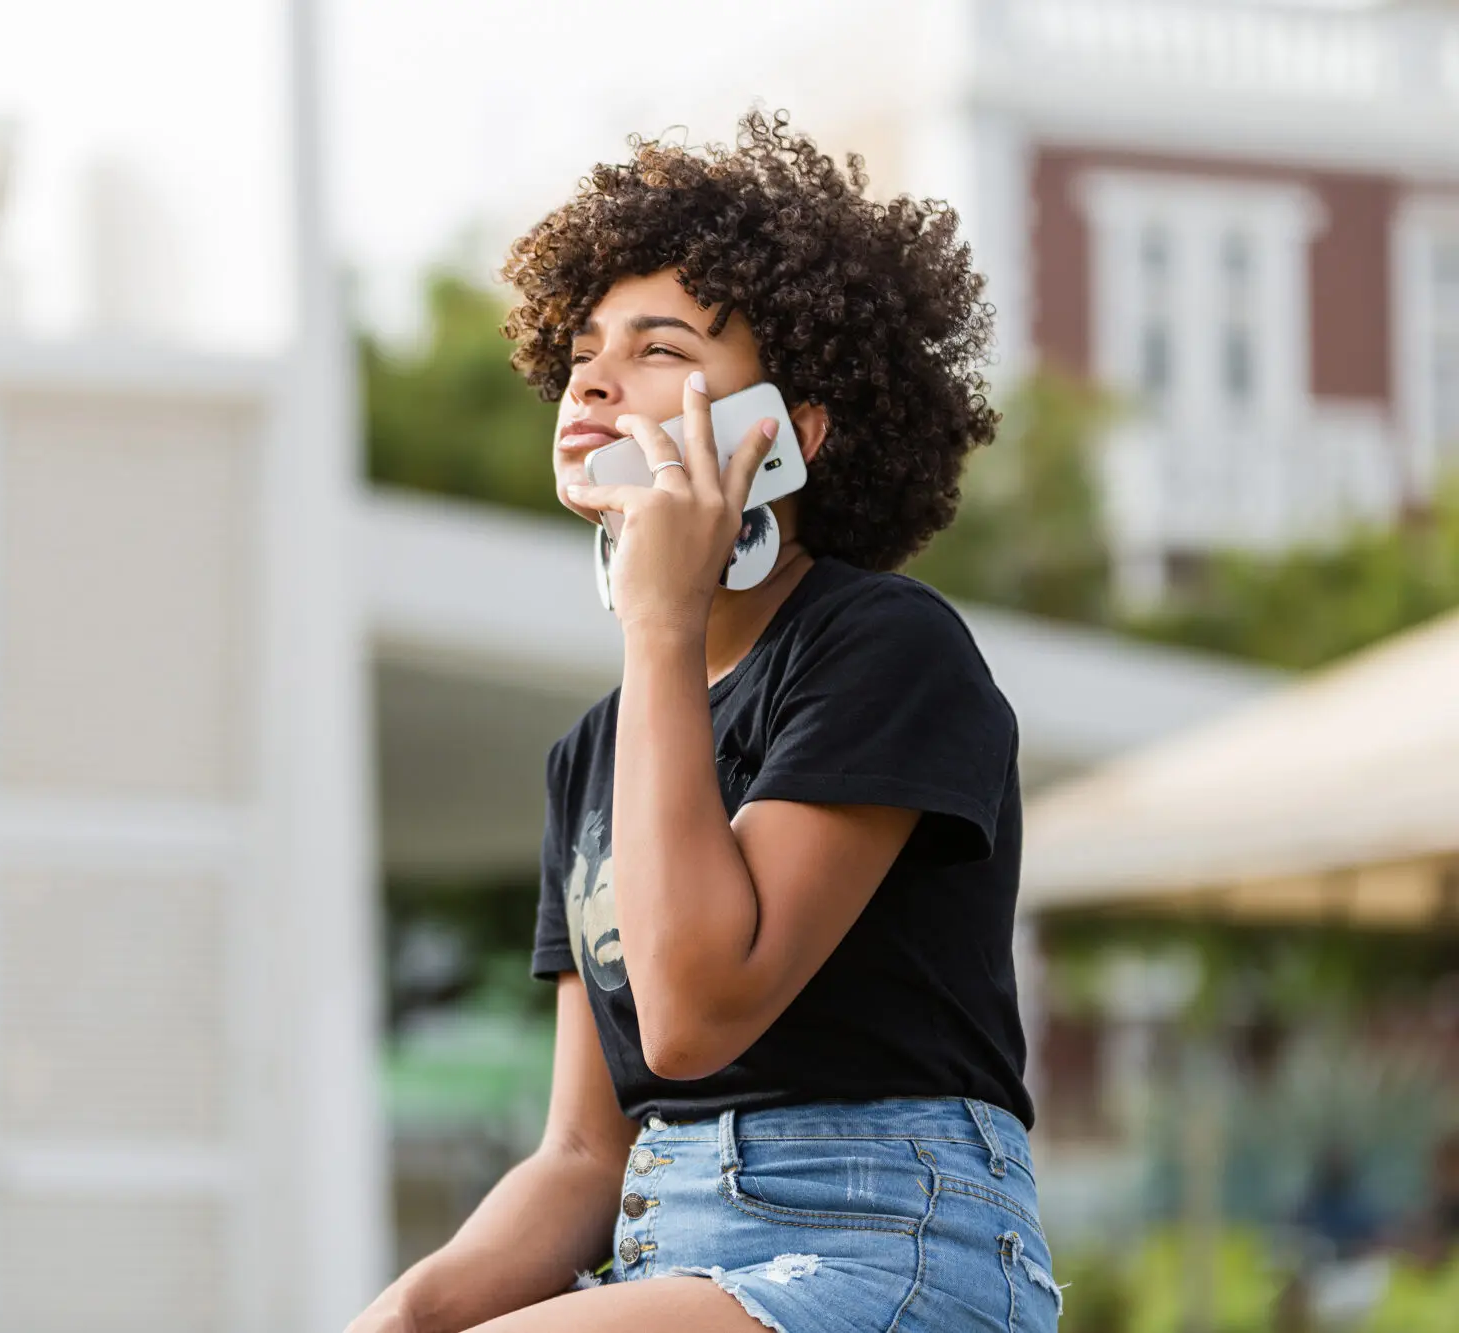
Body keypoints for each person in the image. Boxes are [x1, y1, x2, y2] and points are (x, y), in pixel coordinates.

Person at [348, 110, 1057, 1333]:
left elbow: (691, 1013)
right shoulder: (595, 748)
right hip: (660, 1257)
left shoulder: (884, 645)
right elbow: (581, 1152)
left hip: (885, 1245)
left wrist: (660, 620)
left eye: (658, 347)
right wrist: (403, 1313)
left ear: (784, 436)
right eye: (581, 347)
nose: (591, 377)